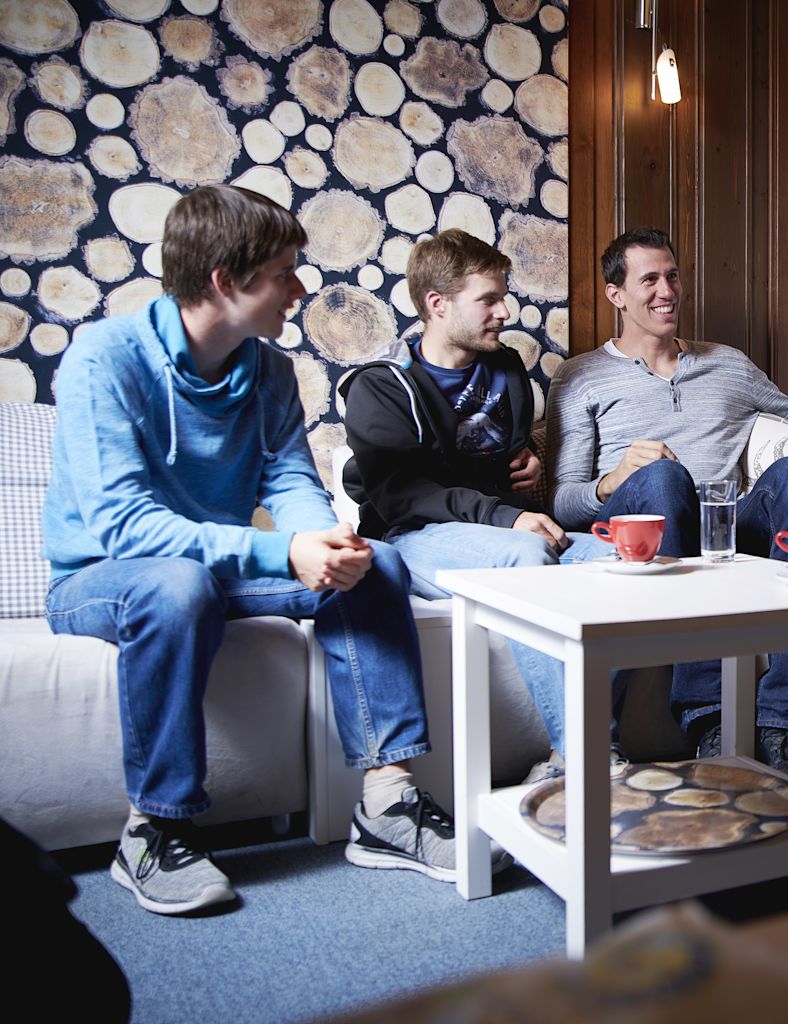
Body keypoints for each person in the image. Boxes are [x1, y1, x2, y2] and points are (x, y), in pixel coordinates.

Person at [43, 185, 489, 915]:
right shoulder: (105, 357)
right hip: (104, 577)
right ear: (226, 281)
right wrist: (282, 554)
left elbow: (289, 481)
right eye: (285, 272)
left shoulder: (270, 372)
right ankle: (153, 828)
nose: (300, 288)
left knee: (378, 565)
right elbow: (123, 526)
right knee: (175, 585)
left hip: (212, 571)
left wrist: (327, 542)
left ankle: (387, 805)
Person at [546, 227, 788, 778]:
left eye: (673, 276)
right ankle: (708, 714)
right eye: (649, 280)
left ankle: (784, 721)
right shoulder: (580, 377)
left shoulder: (727, 363)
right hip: (642, 528)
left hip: (727, 529)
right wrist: (614, 480)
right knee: (665, 478)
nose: (667, 291)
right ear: (616, 295)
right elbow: (564, 502)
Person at [340, 229, 616, 785]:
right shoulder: (381, 386)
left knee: (616, 562)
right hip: (413, 535)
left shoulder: (505, 367)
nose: (504, 311)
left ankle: (562, 760)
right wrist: (507, 516)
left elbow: (498, 453)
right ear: (437, 304)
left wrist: (529, 456)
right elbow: (400, 494)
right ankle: (589, 760)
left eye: (503, 296)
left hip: (495, 528)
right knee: (524, 556)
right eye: (488, 299)